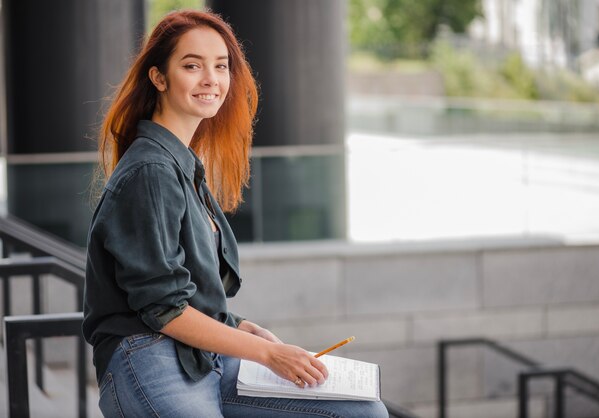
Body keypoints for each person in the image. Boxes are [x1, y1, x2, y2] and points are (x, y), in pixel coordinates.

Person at [82, 9, 388, 418]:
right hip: (148, 355)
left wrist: (241, 327)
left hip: (202, 356)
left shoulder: (182, 165)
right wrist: (268, 353)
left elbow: (188, 292)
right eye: (192, 66)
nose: (211, 79)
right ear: (159, 78)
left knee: (361, 411)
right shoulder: (151, 169)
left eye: (221, 66)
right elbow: (162, 309)